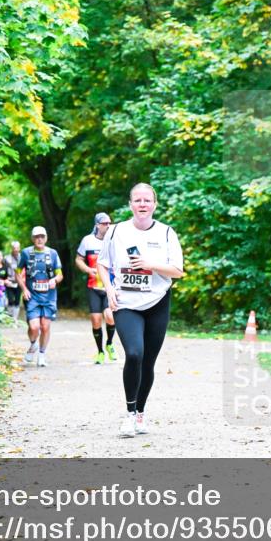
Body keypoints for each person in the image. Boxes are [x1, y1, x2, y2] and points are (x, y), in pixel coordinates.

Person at [97, 183, 184, 437]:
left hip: (158, 302)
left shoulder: (167, 233)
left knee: (148, 362)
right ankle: (129, 415)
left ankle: (141, 414)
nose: (142, 204)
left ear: (155, 204)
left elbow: (177, 271)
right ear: (130, 205)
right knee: (134, 354)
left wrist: (150, 264)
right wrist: (109, 289)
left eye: (147, 200)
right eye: (138, 200)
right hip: (126, 303)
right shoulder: (116, 232)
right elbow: (103, 264)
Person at [17, 226, 63, 368]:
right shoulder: (25, 253)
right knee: (34, 326)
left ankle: (42, 355)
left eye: (42, 236)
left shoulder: (53, 253)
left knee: (45, 326)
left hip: (49, 297)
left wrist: (54, 280)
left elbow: (60, 274)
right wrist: (24, 289)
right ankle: (33, 344)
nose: (40, 239)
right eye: (37, 237)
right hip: (33, 297)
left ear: (46, 238)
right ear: (32, 238)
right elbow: (18, 273)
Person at [76, 212, 117, 364]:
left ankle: (110, 344)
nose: (107, 226)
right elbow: (78, 259)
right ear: (97, 225)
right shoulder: (88, 241)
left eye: (109, 223)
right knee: (96, 320)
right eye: (104, 223)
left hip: (109, 287)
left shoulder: (113, 240)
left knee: (110, 316)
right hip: (93, 286)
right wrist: (88, 269)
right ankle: (100, 351)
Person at [4, 241, 22, 320]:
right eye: (14, 248)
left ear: (19, 248)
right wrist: (5, 279)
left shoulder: (22, 257)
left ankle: (15, 319)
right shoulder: (6, 258)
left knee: (17, 301)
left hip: (19, 282)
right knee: (10, 300)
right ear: (11, 248)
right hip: (9, 281)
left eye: (17, 248)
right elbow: (2, 269)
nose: (15, 249)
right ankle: (10, 316)